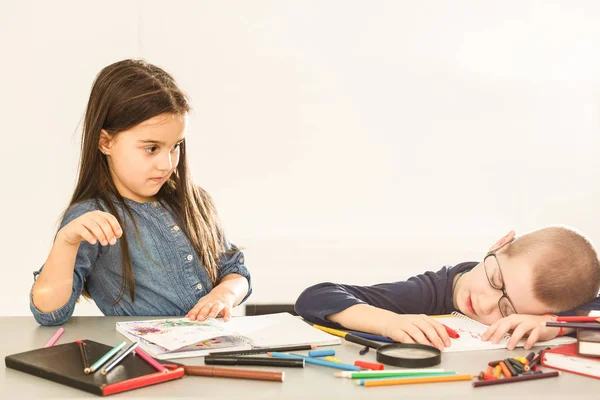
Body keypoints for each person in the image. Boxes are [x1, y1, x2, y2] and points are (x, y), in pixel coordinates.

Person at [30, 59, 251, 326]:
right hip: (148, 361)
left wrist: (225, 294)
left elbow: (235, 271)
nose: (167, 164)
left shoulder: (194, 202)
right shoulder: (93, 219)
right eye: (151, 148)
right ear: (105, 142)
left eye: (175, 146)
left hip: (212, 352)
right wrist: (66, 242)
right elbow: (50, 312)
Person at [295, 227, 600, 350]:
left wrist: (555, 325)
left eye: (507, 310)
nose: (484, 304)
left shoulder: (543, 315)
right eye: (495, 280)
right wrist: (389, 321)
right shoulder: (429, 292)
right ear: (499, 245)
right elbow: (315, 296)